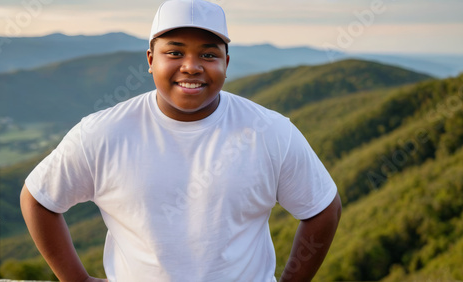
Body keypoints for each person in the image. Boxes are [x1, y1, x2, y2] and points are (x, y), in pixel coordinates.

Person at [20, 0, 341, 281]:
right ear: (150, 59)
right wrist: (76, 279)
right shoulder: (102, 133)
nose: (191, 66)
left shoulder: (270, 131)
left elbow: (323, 209)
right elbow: (38, 199)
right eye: (174, 52)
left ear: (226, 64)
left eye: (208, 54)